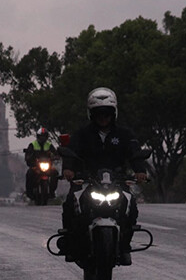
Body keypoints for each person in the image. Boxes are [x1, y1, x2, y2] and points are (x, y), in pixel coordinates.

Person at [61, 87, 148, 265]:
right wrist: (69, 169)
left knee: (130, 204)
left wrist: (140, 171)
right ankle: (71, 245)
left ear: (113, 113)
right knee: (71, 202)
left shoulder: (125, 134)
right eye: (99, 113)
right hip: (87, 180)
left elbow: (135, 153)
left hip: (116, 180)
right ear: (91, 114)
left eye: (107, 113)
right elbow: (71, 152)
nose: (103, 117)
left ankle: (124, 246)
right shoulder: (82, 134)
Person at [25, 127, 59, 200]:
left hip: (47, 166)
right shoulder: (33, 144)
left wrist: (56, 156)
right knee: (29, 174)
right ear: (38, 137)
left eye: (44, 136)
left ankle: (52, 191)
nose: (42, 138)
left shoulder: (49, 145)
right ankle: (29, 193)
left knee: (55, 173)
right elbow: (28, 154)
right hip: (36, 166)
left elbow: (55, 153)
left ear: (46, 137)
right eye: (41, 136)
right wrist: (29, 157)